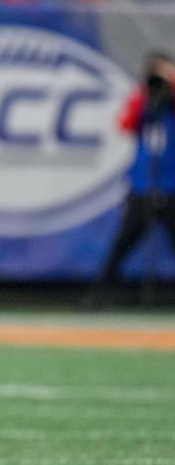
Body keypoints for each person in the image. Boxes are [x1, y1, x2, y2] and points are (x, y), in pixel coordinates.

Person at [91, 51, 175, 302]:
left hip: (171, 185)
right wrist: (147, 92)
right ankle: (98, 295)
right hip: (143, 185)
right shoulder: (144, 100)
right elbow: (125, 124)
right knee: (123, 243)